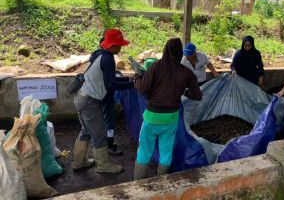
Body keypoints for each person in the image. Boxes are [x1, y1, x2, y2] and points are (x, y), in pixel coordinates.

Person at [133, 38, 202, 180]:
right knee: (166, 152)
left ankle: (138, 184)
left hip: (152, 117)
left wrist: (137, 79)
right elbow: (197, 95)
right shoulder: (186, 72)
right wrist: (183, 91)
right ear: (179, 53)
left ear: (165, 50)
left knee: (145, 150)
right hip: (170, 119)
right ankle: (162, 182)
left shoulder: (155, 67)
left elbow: (143, 90)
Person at [72, 29, 133, 173]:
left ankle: (79, 162)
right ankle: (103, 165)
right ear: (112, 45)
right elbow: (110, 85)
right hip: (89, 102)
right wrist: (131, 84)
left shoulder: (100, 55)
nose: (120, 48)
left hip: (81, 97)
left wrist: (126, 80)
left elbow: (108, 80)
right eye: (118, 45)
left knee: (86, 131)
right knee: (99, 134)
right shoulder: (108, 59)